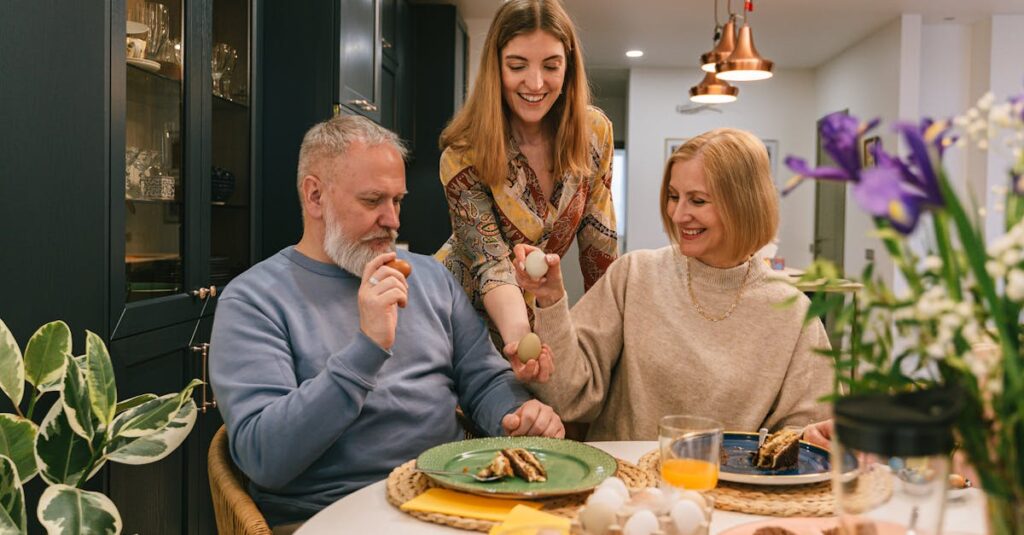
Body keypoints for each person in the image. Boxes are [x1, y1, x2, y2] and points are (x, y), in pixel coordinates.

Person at [209, 115, 564, 531]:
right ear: (315, 196)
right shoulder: (254, 300)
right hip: (331, 517)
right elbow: (264, 458)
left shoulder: (430, 278)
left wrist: (517, 414)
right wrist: (368, 347)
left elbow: (485, 381)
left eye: (397, 201)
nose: (393, 220)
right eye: (373, 200)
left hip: (452, 499)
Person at [510, 128, 833, 440]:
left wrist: (812, 438)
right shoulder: (634, 275)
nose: (678, 215)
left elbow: (807, 431)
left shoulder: (793, 312)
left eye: (698, 201)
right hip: (625, 473)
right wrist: (551, 299)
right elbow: (568, 396)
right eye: (674, 196)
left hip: (728, 478)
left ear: (744, 203)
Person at [435, 0, 618, 357]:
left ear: (568, 67)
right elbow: (492, 265)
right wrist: (521, 341)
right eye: (517, 66)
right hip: (457, 318)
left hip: (532, 318)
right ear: (496, 67)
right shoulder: (463, 153)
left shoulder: (594, 134)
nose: (535, 83)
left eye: (551, 66)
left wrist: (608, 347)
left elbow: (600, 251)